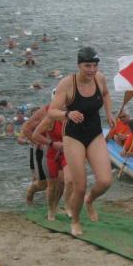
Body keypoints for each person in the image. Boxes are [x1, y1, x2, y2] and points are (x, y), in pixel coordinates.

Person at [48, 46, 114, 235]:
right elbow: (52, 111)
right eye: (87, 66)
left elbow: (106, 94)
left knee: (105, 181)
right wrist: (67, 114)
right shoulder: (67, 84)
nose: (92, 70)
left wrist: (109, 113)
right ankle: (75, 221)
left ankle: (89, 200)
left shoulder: (100, 78)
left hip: (94, 133)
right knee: (80, 186)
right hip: (73, 136)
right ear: (79, 65)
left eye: (94, 65)